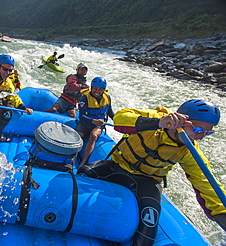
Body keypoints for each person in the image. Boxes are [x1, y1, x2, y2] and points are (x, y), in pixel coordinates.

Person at [78, 99, 226, 245]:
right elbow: (120, 118)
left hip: (147, 181)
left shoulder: (189, 151)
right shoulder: (157, 118)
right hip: (117, 166)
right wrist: (159, 123)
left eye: (207, 133)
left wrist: (222, 213)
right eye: (197, 130)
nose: (200, 137)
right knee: (84, 172)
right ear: (182, 122)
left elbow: (205, 181)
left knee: (149, 223)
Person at [0, 54, 33, 142]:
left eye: (10, 70)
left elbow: (14, 98)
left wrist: (24, 108)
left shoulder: (8, 83)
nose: (7, 73)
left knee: (8, 114)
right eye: (5, 69)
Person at [76, 77, 114, 166]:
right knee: (78, 135)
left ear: (103, 90)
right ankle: (72, 157)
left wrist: (119, 122)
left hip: (98, 125)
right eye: (95, 88)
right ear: (92, 88)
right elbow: (81, 116)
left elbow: (110, 112)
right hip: (85, 122)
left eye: (100, 89)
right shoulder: (84, 98)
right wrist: (93, 120)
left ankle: (83, 162)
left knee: (93, 135)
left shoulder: (107, 97)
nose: (97, 91)